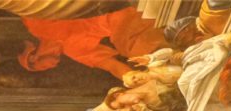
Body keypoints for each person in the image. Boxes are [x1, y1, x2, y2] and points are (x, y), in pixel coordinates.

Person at [17, 7, 167, 80]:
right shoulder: (73, 51)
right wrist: (130, 77)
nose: (50, 67)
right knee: (139, 53)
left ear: (33, 57)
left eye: (41, 67)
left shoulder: (36, 26)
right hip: (121, 21)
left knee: (134, 46)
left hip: (112, 8)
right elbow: (111, 66)